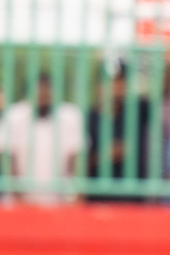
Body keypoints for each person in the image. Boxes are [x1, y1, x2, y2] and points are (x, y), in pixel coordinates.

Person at [0, 71, 85, 205]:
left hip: (59, 204)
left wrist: (74, 200)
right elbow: (8, 161)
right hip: (18, 205)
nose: (43, 94)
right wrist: (20, 202)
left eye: (47, 88)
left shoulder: (70, 116)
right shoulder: (14, 115)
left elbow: (77, 163)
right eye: (39, 89)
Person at [86, 60, 153, 200]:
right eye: (111, 81)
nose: (117, 87)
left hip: (133, 200)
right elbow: (81, 164)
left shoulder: (139, 110)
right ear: (99, 86)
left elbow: (160, 92)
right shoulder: (90, 118)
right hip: (99, 199)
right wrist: (105, 156)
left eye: (121, 81)